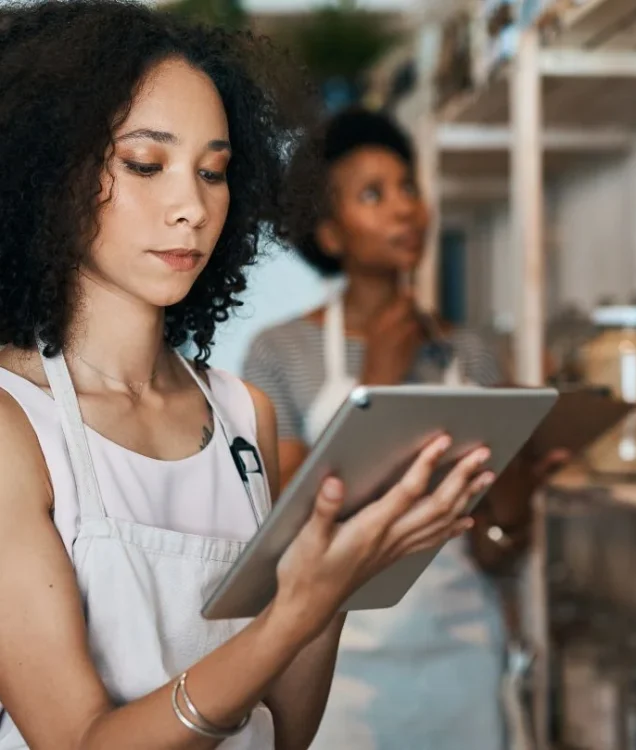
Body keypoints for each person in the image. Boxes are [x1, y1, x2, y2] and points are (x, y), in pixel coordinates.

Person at [0, 5, 495, 749]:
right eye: (145, 164)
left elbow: (286, 731)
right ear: (50, 174)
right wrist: (296, 610)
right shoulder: (14, 429)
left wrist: (337, 586)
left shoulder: (241, 416)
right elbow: (79, 742)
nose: (192, 207)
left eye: (214, 172)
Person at [244, 107, 567, 750]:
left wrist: (519, 487)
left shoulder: (469, 354)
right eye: (373, 194)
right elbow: (292, 527)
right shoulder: (279, 353)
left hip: (462, 658)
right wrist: (383, 383)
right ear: (330, 234)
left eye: (408, 187)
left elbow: (494, 552)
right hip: (338, 668)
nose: (404, 210)